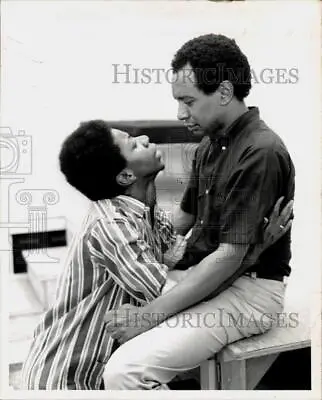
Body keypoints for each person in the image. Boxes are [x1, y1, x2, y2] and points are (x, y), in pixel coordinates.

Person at [20, 119, 291, 390]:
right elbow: (177, 294)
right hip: (62, 377)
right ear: (126, 176)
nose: (146, 139)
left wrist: (246, 238)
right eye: (133, 144)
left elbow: (183, 253)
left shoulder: (146, 214)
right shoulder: (111, 226)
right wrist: (256, 249)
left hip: (91, 373)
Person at [103, 34, 295, 390]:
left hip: (249, 293)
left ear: (223, 92)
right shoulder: (209, 146)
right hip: (212, 274)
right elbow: (183, 221)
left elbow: (228, 256)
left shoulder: (260, 152)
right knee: (108, 314)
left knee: (124, 372)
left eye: (187, 101)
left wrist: (148, 316)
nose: (179, 113)